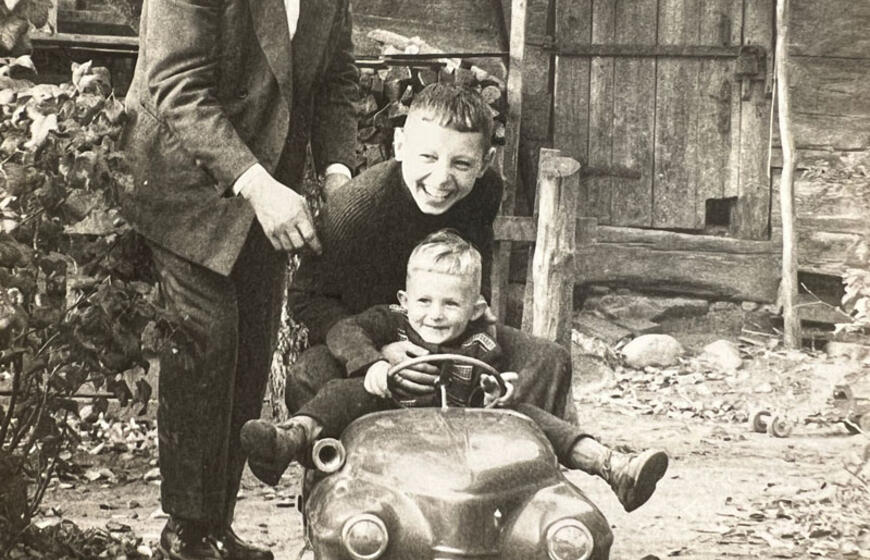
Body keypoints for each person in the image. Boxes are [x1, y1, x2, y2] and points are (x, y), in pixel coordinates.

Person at [119, 0, 359, 558]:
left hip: (269, 184)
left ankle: (216, 528)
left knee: (252, 345)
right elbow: (177, 87)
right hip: (182, 181)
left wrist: (338, 174)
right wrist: (258, 186)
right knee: (209, 339)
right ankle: (185, 532)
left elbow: (337, 78)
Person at [243, 230, 669, 512]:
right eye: (424, 301)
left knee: (528, 418)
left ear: (476, 307)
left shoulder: (481, 340)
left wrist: (498, 392)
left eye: (451, 304)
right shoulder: (391, 321)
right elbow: (346, 330)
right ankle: (290, 437)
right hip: (385, 419)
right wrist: (373, 364)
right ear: (405, 300)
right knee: (342, 391)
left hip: (463, 432)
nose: (435, 314)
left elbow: (490, 385)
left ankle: (611, 465)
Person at [286, 82, 576, 423]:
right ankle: (339, 452)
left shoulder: (485, 191)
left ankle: (509, 446)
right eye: (428, 157)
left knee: (549, 359)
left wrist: (473, 334)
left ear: (485, 163)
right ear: (399, 146)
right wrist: (375, 352)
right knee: (309, 372)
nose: (441, 179)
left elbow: (475, 266)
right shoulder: (356, 208)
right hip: (371, 333)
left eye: (462, 164)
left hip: (449, 323)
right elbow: (306, 299)